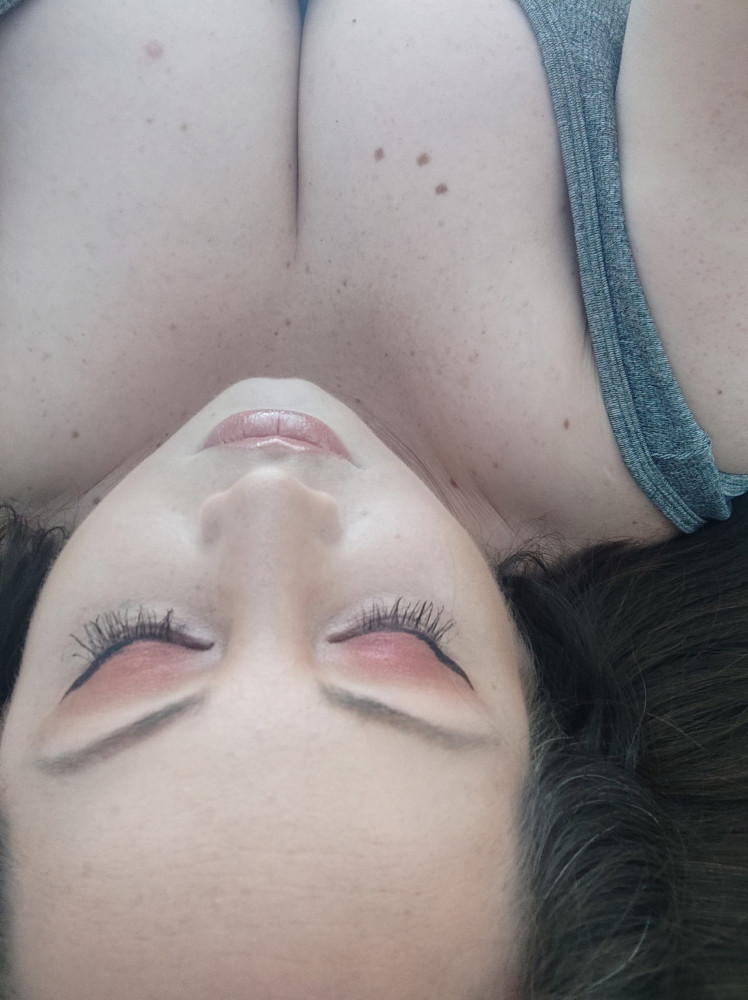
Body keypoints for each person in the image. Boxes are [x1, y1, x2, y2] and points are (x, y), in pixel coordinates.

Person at [0, 0, 745, 997]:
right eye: (396, 639)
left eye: (138, 648)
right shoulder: (680, 377)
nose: (270, 505)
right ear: (548, 717)